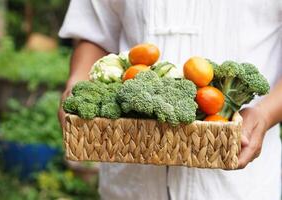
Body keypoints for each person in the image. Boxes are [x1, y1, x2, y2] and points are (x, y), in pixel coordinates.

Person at [58, 1, 282, 199]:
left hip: (240, 185)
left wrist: (265, 114)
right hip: (130, 177)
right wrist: (77, 82)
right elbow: (94, 31)